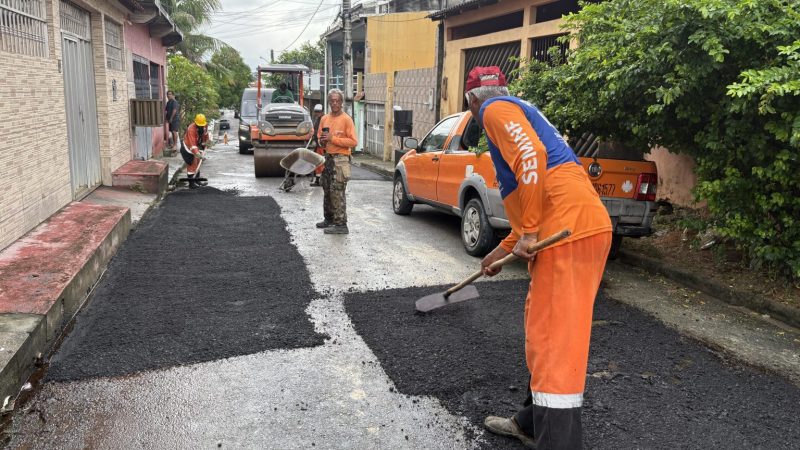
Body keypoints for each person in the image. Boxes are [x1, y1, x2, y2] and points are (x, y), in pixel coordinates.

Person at [465, 66, 612, 449]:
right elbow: (533, 195)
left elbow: (532, 156)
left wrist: (530, 231)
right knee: (544, 330)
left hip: (566, 234)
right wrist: (498, 254)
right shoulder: (519, 110)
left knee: (555, 342)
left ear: (472, 100)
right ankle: (530, 423)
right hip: (577, 228)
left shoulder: (494, 109)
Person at [316, 89, 357, 234]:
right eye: (332, 101)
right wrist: (322, 141)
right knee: (326, 189)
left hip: (341, 159)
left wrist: (333, 138)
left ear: (341, 102)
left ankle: (341, 224)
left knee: (337, 191)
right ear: (328, 102)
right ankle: (329, 219)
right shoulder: (324, 119)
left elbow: (353, 142)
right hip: (328, 158)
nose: (335, 103)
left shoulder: (346, 119)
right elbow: (320, 137)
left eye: (337, 101)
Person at [181, 114, 210, 188]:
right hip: (188, 147)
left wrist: (207, 142)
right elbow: (192, 145)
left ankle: (197, 180)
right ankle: (191, 184)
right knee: (192, 164)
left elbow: (206, 135)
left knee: (197, 163)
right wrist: (199, 155)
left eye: (202, 125)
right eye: (199, 126)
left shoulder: (205, 125)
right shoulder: (191, 129)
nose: (201, 127)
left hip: (196, 145)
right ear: (196, 123)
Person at [310, 103, 325, 186]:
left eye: (319, 112)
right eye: (316, 112)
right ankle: (318, 179)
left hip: (321, 145)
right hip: (318, 144)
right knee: (318, 162)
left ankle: (319, 180)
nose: (317, 113)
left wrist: (314, 133)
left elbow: (322, 132)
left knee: (319, 162)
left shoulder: (323, 119)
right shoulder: (317, 119)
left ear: (322, 112)